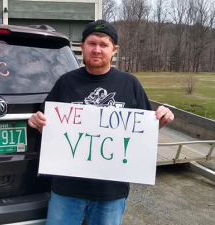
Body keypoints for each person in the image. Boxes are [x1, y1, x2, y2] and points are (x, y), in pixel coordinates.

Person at [28, 20, 174, 225]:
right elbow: (47, 126)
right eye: (92, 43)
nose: (97, 50)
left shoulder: (130, 83)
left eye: (104, 45)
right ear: (82, 47)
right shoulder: (66, 82)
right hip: (67, 189)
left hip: (111, 192)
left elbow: (143, 131)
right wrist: (37, 121)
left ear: (113, 49)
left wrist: (161, 119)